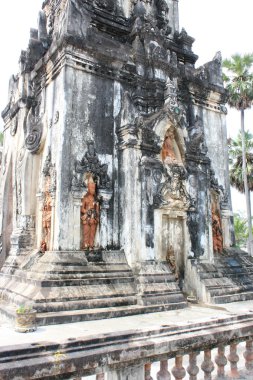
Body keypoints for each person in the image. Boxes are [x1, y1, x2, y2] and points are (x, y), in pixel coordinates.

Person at [81, 181, 99, 249]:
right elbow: (82, 209)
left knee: (92, 233)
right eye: (91, 188)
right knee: (86, 232)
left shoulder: (95, 199)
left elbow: (97, 210)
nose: (93, 189)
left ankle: (91, 245)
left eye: (94, 188)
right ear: (88, 188)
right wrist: (88, 211)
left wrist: (96, 215)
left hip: (93, 217)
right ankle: (86, 245)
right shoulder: (85, 198)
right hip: (87, 217)